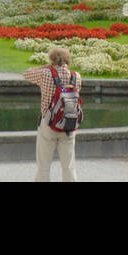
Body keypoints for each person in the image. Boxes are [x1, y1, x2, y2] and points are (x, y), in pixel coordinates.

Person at [22, 46, 82, 181]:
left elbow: (26, 73)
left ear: (52, 59)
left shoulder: (45, 74)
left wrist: (44, 67)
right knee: (69, 166)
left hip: (48, 123)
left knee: (43, 166)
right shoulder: (76, 76)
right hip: (69, 123)